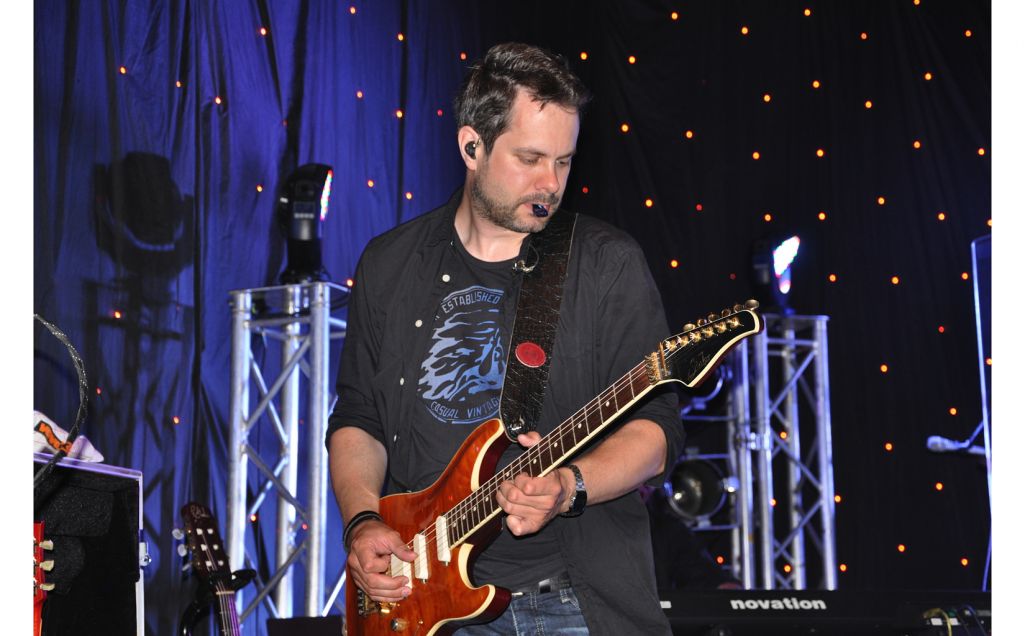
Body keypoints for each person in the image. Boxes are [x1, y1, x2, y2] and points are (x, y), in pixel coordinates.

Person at [326, 42, 685, 635]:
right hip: (419, 600)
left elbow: (656, 432)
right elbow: (358, 417)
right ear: (472, 146)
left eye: (564, 162)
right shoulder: (390, 263)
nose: (551, 183)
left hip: (569, 599)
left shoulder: (605, 263)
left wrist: (569, 486)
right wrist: (362, 522)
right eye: (530, 158)